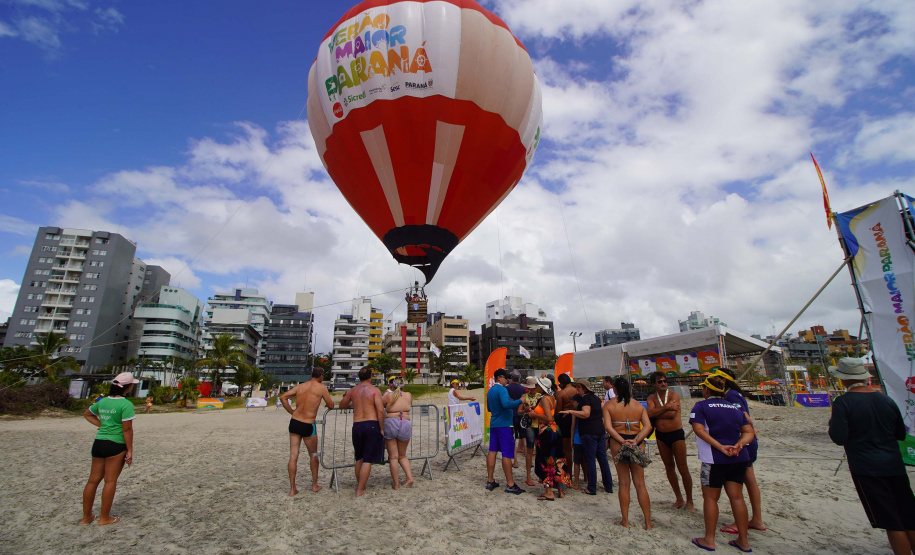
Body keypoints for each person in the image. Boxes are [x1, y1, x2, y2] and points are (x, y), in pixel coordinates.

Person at [828, 357, 915, 555]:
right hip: (894, 464)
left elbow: (838, 437)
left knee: (891, 521)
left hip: (867, 467)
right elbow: (900, 433)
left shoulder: (843, 402)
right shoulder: (885, 399)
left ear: (844, 379)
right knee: (908, 514)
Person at [689, 375, 755, 553]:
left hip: (714, 459)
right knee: (737, 497)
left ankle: (709, 539)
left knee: (710, 498)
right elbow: (749, 431)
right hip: (738, 457)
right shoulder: (734, 408)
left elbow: (698, 429)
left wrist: (719, 446)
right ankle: (743, 540)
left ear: (707, 390)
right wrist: (740, 444)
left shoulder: (701, 406)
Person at [81, 372, 139, 526]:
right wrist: (130, 451)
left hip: (99, 443)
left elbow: (87, 414)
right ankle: (104, 518)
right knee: (110, 481)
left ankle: (86, 517)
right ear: (128, 387)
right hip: (116, 444)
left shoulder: (103, 401)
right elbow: (127, 430)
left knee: (92, 481)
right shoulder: (126, 404)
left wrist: (103, 425)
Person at [718, 367, 765, 533]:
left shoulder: (731, 395)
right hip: (747, 440)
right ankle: (757, 519)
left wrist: (748, 433)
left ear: (724, 380)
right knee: (750, 480)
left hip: (741, 442)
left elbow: (744, 416)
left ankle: (740, 523)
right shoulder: (734, 394)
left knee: (736, 484)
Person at [603, 377, 653, 530]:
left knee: (624, 483)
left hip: (618, 442)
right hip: (637, 441)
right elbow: (648, 426)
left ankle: (625, 521)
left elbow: (609, 427)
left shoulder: (609, 405)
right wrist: (636, 440)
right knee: (640, 484)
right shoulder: (638, 406)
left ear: (615, 390)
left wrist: (621, 441)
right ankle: (648, 523)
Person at [279, 367, 334, 496]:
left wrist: (292, 412)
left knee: (293, 456)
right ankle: (314, 485)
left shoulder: (301, 387)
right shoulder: (321, 388)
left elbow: (283, 397)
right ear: (321, 376)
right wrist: (326, 404)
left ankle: (292, 488)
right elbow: (331, 404)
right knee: (313, 455)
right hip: (308, 423)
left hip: (295, 422)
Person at [647, 371, 694, 512]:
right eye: (660, 381)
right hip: (661, 436)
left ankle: (690, 500)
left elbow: (672, 414)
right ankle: (679, 497)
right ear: (654, 384)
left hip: (676, 434)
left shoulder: (673, 395)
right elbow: (650, 413)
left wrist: (659, 411)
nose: (663, 384)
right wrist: (666, 407)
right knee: (669, 467)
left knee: (682, 467)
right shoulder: (651, 397)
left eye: (665, 381)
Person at [560, 378, 613, 495]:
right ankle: (609, 486)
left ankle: (592, 488)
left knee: (590, 460)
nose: (576, 389)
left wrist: (570, 412)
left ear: (584, 388)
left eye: (578, 387)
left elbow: (586, 413)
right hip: (600, 431)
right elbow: (604, 412)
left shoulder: (585, 400)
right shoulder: (597, 399)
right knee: (603, 459)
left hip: (589, 432)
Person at [339, 366, 386, 497]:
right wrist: (381, 428)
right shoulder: (374, 390)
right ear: (371, 376)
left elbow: (342, 405)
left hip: (357, 425)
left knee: (359, 457)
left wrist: (352, 404)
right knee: (367, 459)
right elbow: (380, 410)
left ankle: (359, 485)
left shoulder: (353, 390)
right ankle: (360, 489)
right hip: (371, 423)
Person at [523, 377, 570, 500]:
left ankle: (548, 492)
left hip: (547, 430)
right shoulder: (552, 397)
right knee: (557, 459)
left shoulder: (544, 399)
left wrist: (533, 414)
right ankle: (560, 489)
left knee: (546, 460)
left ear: (541, 387)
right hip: (554, 430)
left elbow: (549, 418)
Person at [485, 368, 524, 494]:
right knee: (507, 453)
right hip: (504, 424)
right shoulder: (502, 389)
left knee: (492, 451)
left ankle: (490, 480)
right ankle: (510, 484)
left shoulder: (490, 390)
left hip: (494, 423)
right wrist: (520, 401)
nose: (507, 380)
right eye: (506, 378)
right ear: (499, 378)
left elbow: (490, 408)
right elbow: (506, 404)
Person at [382, 377, 414, 489]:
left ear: (392, 385)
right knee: (402, 456)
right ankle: (409, 478)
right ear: (404, 385)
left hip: (391, 422)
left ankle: (396, 484)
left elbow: (381, 406)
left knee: (393, 457)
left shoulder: (388, 396)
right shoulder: (409, 395)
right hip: (405, 422)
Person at [520, 377, 540, 486]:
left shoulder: (540, 397)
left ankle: (539, 474)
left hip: (539, 424)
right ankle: (528, 476)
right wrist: (525, 411)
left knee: (539, 450)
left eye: (533, 388)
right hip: (530, 425)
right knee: (529, 450)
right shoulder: (524, 397)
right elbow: (519, 411)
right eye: (530, 388)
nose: (531, 390)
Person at [506, 371, 527, 469]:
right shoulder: (523, 389)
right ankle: (528, 460)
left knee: (513, 438)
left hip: (511, 414)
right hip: (521, 413)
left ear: (511, 378)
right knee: (524, 437)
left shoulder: (507, 388)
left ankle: (515, 462)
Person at [555, 373, 576, 463]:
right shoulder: (577, 390)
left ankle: (569, 473)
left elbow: (558, 411)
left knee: (567, 449)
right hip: (577, 417)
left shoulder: (561, 394)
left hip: (565, 419)